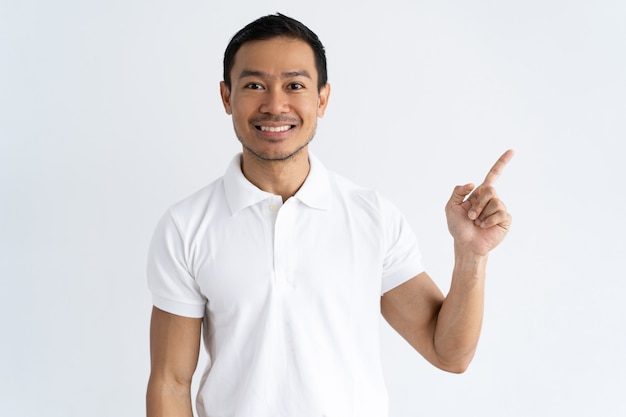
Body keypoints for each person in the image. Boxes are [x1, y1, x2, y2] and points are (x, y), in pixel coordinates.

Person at [146, 13, 513, 417]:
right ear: (226, 96)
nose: (274, 105)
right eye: (254, 85)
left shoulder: (371, 217)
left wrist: (471, 255)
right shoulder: (186, 226)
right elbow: (170, 382)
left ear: (321, 99)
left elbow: (449, 354)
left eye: (294, 85)